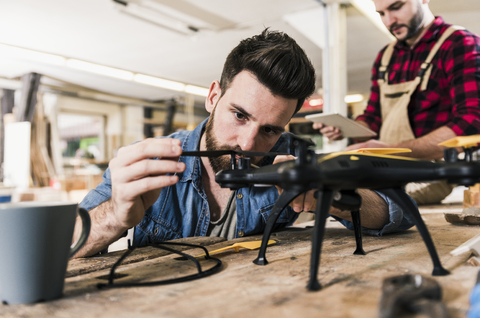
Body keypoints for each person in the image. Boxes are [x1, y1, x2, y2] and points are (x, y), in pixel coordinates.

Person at [73, 29, 414, 258]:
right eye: (239, 115)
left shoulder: (291, 155)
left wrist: (332, 196)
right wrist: (114, 217)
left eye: (269, 129)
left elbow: (402, 213)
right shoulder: (153, 159)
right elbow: (60, 245)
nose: (247, 143)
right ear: (213, 96)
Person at [316, 0, 480, 205]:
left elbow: (472, 123)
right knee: (320, 185)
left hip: (429, 172)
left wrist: (392, 151)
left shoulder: (459, 44)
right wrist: (346, 128)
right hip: (385, 165)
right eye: (381, 13)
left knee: (357, 199)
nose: (389, 21)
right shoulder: (385, 57)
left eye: (396, 7)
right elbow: (373, 118)